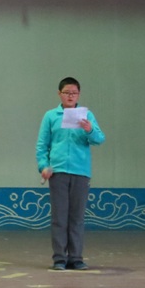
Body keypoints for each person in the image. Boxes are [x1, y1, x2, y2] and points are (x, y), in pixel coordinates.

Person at [36, 77, 105, 271]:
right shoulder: (51, 116)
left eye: (74, 93)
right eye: (67, 92)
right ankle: (59, 258)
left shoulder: (86, 115)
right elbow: (42, 145)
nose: (70, 96)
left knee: (77, 217)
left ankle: (76, 258)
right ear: (59, 94)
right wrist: (43, 166)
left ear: (79, 95)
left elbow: (100, 139)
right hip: (57, 172)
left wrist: (89, 130)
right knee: (59, 217)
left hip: (81, 172)